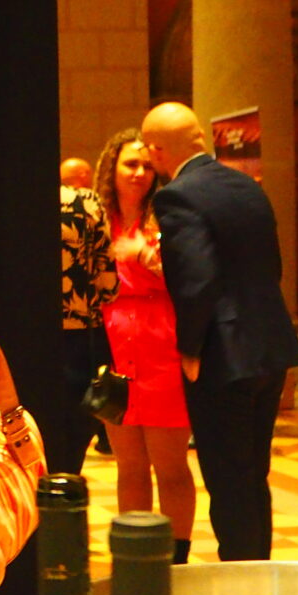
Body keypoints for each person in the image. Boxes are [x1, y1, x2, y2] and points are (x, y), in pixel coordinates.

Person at [140, 101, 298, 561]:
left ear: (156, 151)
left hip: (223, 354)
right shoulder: (246, 186)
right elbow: (272, 265)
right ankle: (258, 571)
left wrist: (191, 347)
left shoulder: (177, 196)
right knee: (252, 475)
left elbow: (196, 280)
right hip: (269, 346)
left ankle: (241, 578)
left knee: (227, 479)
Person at [93, 131, 195, 562]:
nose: (138, 173)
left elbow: (192, 277)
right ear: (111, 169)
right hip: (114, 348)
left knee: (170, 466)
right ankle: (134, 557)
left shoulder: (169, 216)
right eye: (130, 164)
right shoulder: (97, 219)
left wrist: (146, 256)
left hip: (162, 345)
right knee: (129, 465)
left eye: (146, 166)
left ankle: (176, 559)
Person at [54, 154, 115, 474]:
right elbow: (108, 279)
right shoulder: (85, 202)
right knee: (75, 424)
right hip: (78, 329)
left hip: (23, 334)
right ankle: (67, 482)